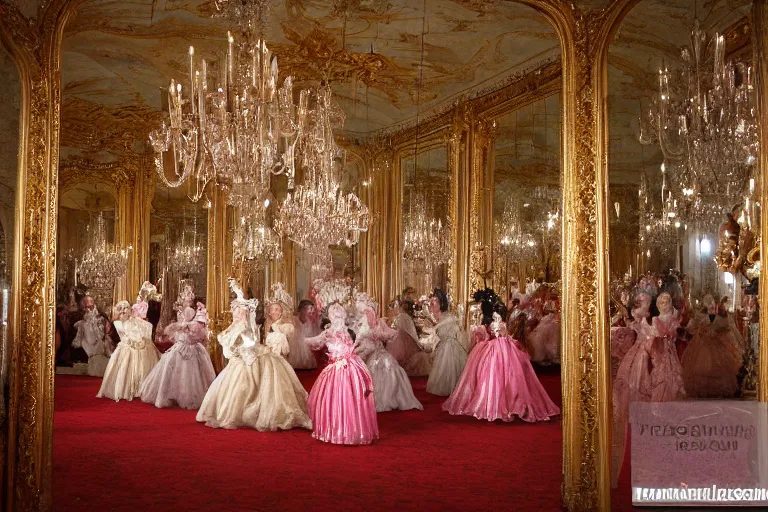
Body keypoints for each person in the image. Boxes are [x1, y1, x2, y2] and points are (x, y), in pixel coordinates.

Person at [196, 279, 311, 431]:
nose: (236, 314)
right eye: (235, 311)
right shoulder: (241, 325)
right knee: (241, 384)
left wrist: (243, 345)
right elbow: (235, 341)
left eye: (239, 311)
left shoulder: (247, 326)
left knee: (256, 382)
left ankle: (260, 411)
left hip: (250, 355)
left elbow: (248, 341)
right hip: (245, 356)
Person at [443, 288, 559, 422]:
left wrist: (482, 336)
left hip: (496, 348)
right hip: (503, 347)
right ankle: (506, 404)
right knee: (506, 376)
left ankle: (497, 404)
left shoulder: (489, 323)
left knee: (496, 376)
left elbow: (488, 336)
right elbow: (499, 334)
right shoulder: (498, 322)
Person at [611, 290, 685, 487]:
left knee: (663, 386)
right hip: (651, 357)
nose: (661, 303)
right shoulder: (648, 321)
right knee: (648, 384)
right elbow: (650, 337)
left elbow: (669, 336)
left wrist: (659, 335)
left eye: (664, 301)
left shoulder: (666, 318)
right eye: (658, 301)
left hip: (660, 358)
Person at [305, 303, 378, 445]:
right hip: (349, 367)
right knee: (348, 399)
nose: (336, 319)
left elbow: (314, 342)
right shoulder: (346, 331)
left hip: (343, 368)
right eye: (335, 316)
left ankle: (341, 430)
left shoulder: (330, 333)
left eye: (336, 316)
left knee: (341, 398)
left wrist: (300, 339)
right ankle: (352, 430)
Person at [139, 304, 215, 409]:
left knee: (190, 374)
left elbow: (198, 335)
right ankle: (170, 395)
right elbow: (172, 335)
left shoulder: (194, 324)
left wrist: (185, 327)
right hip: (180, 348)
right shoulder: (184, 325)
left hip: (190, 349)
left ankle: (187, 396)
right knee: (172, 369)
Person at [355, 304, 422, 412]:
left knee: (387, 371)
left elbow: (391, 334)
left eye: (369, 312)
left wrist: (358, 351)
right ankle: (389, 398)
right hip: (375, 355)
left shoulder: (377, 324)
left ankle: (390, 398)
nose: (367, 315)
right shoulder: (366, 326)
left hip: (379, 354)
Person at [97, 298, 161, 402]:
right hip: (126, 348)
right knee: (125, 368)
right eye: (120, 309)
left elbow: (146, 329)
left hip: (137, 347)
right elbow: (126, 335)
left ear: (130, 310)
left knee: (142, 364)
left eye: (126, 308)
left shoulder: (136, 321)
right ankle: (127, 389)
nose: (123, 311)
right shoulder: (118, 323)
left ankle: (141, 388)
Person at [682, 297, 742, 398]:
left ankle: (714, 390)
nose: (711, 306)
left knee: (716, 365)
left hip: (713, 343)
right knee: (702, 366)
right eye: (709, 305)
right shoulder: (700, 316)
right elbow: (691, 327)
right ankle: (703, 389)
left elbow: (723, 327)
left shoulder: (717, 317)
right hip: (701, 344)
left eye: (712, 305)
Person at [425, 288, 467, 396]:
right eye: (433, 303)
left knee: (450, 369)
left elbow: (437, 330)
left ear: (441, 303)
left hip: (450, 346)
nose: (433, 306)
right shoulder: (442, 317)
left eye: (436, 303)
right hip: (444, 345)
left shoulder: (448, 317)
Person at [265, 284, 317, 370]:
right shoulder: (292, 320)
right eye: (274, 309)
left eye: (279, 310)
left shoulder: (288, 324)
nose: (276, 312)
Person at [386, 300, 431, 377]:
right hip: (402, 341)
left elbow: (401, 331)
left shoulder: (401, 317)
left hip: (404, 342)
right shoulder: (402, 317)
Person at [71, 296, 113, 377]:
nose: (89, 309)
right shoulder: (79, 320)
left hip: (101, 346)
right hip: (87, 348)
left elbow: (106, 331)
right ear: (82, 308)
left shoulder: (101, 317)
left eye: (91, 306)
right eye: (86, 307)